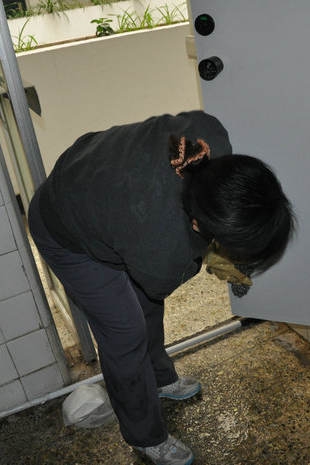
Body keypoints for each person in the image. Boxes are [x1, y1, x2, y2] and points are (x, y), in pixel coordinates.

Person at [28, 111, 295, 465]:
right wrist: (211, 257)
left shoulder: (210, 136)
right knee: (124, 332)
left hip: (96, 182)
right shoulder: (160, 249)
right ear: (199, 225)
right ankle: (145, 436)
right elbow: (158, 279)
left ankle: (158, 378)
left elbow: (154, 277)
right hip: (64, 228)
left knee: (145, 306)